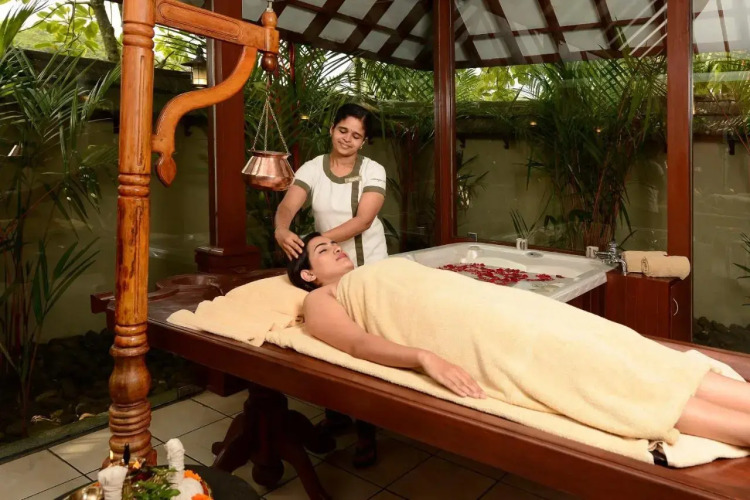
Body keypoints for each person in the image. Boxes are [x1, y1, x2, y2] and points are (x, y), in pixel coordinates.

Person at [287, 233, 750, 450]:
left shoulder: (378, 268)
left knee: (618, 344)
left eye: (335, 243)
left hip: (502, 307)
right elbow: (357, 345)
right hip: (476, 334)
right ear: (308, 274)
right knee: (598, 371)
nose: (337, 248)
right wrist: (424, 357)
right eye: (323, 250)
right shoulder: (322, 298)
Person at [274, 104, 388, 467]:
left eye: (356, 136)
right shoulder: (312, 168)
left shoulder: (373, 170)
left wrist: (318, 243)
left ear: (364, 142)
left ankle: (367, 431)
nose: (347, 140)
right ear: (331, 129)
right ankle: (337, 416)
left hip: (366, 267)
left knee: (363, 345)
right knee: (330, 342)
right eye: (343, 130)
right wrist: (281, 229)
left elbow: (363, 220)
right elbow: (288, 205)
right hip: (326, 270)